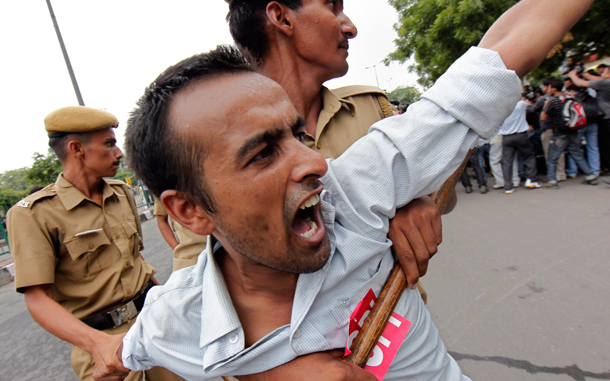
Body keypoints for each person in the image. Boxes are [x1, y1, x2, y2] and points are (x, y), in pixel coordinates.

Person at [96, 0, 594, 380]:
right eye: (263, 153)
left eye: (297, 134)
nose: (315, 163)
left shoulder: (355, 192)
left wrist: (419, 198)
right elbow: (120, 351)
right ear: (189, 210)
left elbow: (498, 58)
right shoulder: (177, 320)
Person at [225, 0, 452, 294]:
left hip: (401, 323)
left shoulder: (371, 106)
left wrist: (417, 198)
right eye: (332, 6)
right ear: (281, 17)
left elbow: (445, 187)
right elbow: (205, 269)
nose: (350, 27)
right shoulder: (223, 147)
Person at [6, 106, 182, 381]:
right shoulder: (34, 213)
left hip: (155, 326)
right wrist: (96, 345)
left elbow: (135, 263)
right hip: (101, 341)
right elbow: (37, 299)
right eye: (109, 144)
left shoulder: (122, 193)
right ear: (77, 149)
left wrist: (168, 308)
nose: (119, 153)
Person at [540, 79, 598, 187]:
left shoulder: (552, 101)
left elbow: (543, 117)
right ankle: (590, 176)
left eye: (549, 88)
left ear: (553, 88)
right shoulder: (571, 98)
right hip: (572, 131)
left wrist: (545, 106)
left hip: (559, 134)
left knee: (552, 158)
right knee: (577, 155)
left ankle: (552, 180)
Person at [568, 63, 610, 174]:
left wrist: (572, 75)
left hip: (606, 118)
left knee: (605, 144)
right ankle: (597, 170)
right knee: (595, 146)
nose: (601, 74)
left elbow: (580, 83)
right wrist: (583, 73)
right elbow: (595, 78)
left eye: (604, 72)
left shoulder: (604, 83)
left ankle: (575, 171)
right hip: (604, 118)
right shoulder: (605, 81)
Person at [498, 98, 542, 194]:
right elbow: (529, 105)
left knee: (507, 162)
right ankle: (531, 179)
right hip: (521, 135)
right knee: (529, 157)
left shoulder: (499, 107)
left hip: (506, 137)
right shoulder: (520, 104)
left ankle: (508, 186)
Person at [153, 196, 207, 271]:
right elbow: (161, 220)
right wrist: (176, 248)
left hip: (221, 247)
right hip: (192, 257)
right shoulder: (163, 186)